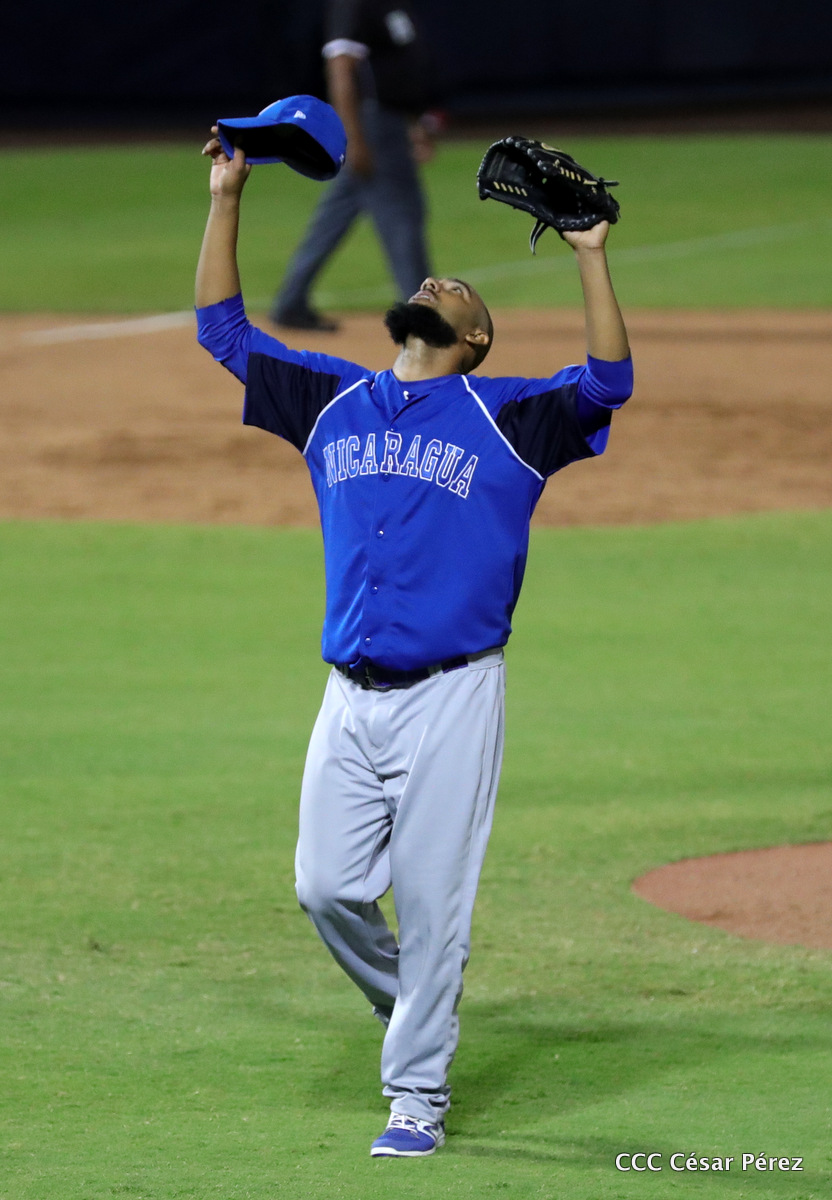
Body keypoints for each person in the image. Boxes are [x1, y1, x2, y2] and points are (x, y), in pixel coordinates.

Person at [196, 131, 633, 1158]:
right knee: (324, 887)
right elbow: (223, 331)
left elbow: (607, 386)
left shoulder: (509, 414)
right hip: (347, 699)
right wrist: (226, 195)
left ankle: (417, 1098)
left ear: (474, 339)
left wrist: (589, 254)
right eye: (433, 279)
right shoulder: (330, 400)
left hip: (452, 699)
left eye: (460, 292)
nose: (439, 282)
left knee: (435, 906)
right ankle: (415, 1004)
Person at [269, 0, 436, 332]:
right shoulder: (355, 4)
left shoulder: (390, 5)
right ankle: (423, 317)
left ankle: (290, 301)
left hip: (388, 124)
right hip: (372, 126)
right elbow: (340, 68)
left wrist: (413, 123)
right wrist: (354, 138)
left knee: (333, 218)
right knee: (402, 216)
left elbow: (400, 72)